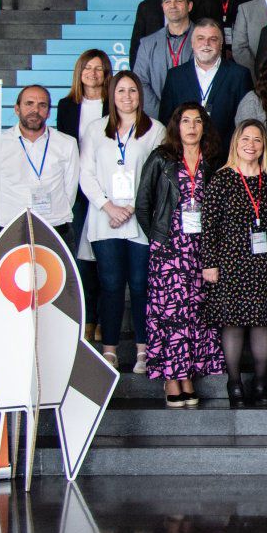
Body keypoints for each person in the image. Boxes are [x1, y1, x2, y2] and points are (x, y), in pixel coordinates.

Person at [135, 103, 222, 408]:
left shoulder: (212, 161)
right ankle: (172, 378)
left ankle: (188, 375)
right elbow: (143, 204)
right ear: (176, 126)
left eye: (197, 121)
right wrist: (160, 239)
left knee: (194, 313)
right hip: (169, 250)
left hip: (201, 250)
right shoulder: (161, 158)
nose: (192, 127)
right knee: (170, 315)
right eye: (185, 121)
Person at [201, 118, 267, 408]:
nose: (251, 145)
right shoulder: (222, 179)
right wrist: (209, 263)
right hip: (230, 263)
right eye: (245, 139)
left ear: (265, 146)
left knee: (262, 323)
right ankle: (234, 383)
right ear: (235, 143)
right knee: (233, 324)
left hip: (265, 263)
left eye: (257, 140)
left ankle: (261, 383)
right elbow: (209, 226)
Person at [80, 72, 160, 369]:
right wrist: (109, 207)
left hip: (141, 221)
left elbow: (158, 175)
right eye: (121, 91)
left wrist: (132, 208)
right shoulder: (96, 129)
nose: (127, 97)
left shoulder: (155, 129)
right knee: (111, 285)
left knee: (141, 285)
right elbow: (85, 174)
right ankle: (109, 350)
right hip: (105, 220)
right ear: (112, 95)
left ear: (141, 94)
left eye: (133, 91)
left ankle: (143, 350)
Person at [0, 84, 80, 237]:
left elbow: (70, 188)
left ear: (48, 113)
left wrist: (55, 214)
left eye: (42, 105)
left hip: (55, 226)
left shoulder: (67, 143)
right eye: (29, 103)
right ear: (17, 109)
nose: (35, 110)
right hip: (9, 227)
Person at [158, 17, 248, 143]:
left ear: (221, 44)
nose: (206, 43)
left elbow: (246, 123)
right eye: (200, 38)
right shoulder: (175, 76)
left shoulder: (240, 75)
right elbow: (166, 120)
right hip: (184, 151)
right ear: (192, 43)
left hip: (226, 152)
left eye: (213, 39)